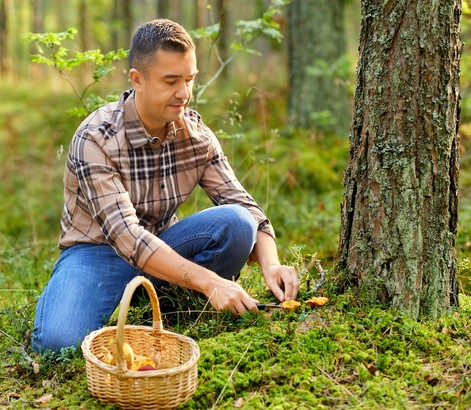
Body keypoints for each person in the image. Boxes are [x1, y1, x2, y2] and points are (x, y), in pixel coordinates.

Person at [32, 19, 298, 353]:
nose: (184, 93)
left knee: (237, 222)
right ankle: (133, 301)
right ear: (137, 79)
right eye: (171, 81)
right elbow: (126, 236)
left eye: (189, 79)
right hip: (97, 253)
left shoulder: (195, 134)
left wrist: (271, 263)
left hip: (164, 248)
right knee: (57, 344)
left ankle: (165, 307)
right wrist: (210, 281)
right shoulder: (96, 138)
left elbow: (244, 206)